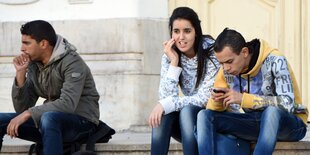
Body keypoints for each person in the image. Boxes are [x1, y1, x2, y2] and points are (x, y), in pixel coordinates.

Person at [196, 28, 308, 155]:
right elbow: (213, 110)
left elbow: (288, 104)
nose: (226, 68)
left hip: (292, 125)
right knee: (204, 116)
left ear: (244, 52)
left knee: (271, 112)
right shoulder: (226, 71)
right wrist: (218, 100)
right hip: (255, 123)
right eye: (221, 63)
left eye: (229, 61)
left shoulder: (275, 59)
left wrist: (244, 99)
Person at [0, 20, 100, 155]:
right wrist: (20, 74)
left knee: (48, 118)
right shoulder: (34, 64)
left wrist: (28, 113)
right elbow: (21, 108)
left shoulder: (72, 62)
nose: (22, 49)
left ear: (43, 44)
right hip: (50, 124)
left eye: (27, 43)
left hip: (82, 122)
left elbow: (67, 104)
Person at [148, 7, 220, 155]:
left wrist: (166, 104)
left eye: (187, 31)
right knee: (163, 115)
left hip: (211, 120)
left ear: (196, 31)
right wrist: (174, 61)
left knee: (186, 111)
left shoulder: (212, 53)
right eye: (176, 31)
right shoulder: (170, 55)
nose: (181, 37)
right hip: (187, 126)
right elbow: (165, 98)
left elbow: (204, 99)